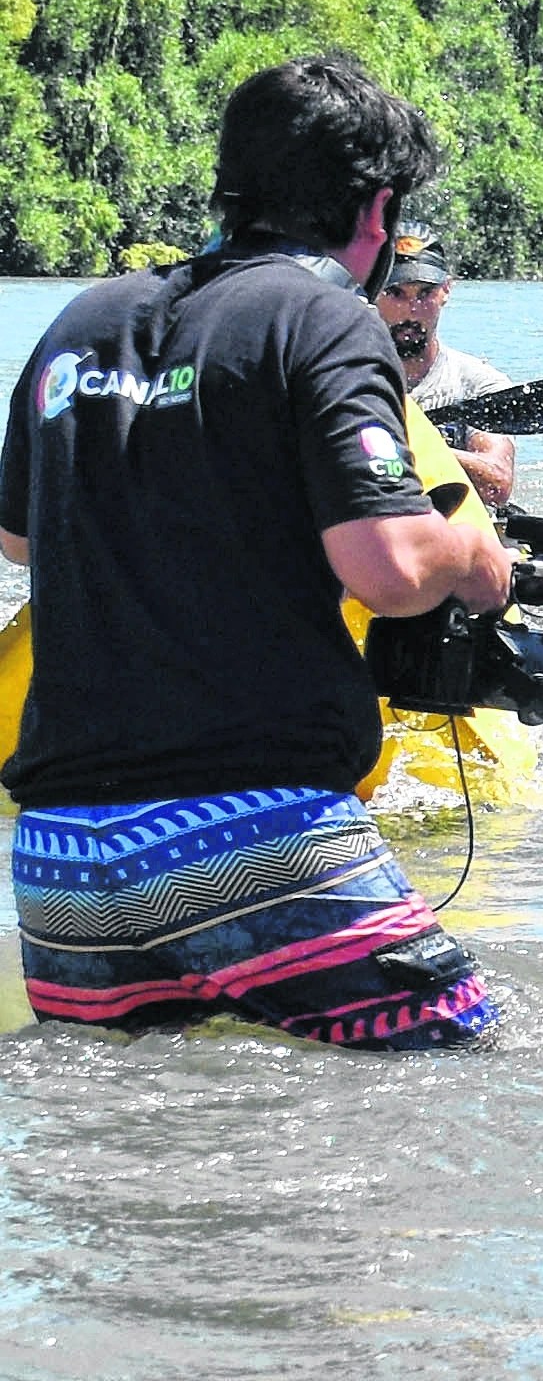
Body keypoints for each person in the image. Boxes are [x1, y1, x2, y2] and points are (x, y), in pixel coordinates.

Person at [1, 54, 512, 1048]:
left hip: (62, 855)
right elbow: (391, 568)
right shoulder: (323, 319)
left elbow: (19, 533)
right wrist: (475, 559)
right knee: (471, 1069)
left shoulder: (85, 318)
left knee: (144, 1152)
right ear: (376, 210)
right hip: (252, 832)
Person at [375, 233, 514, 509]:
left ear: (446, 291)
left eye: (425, 293)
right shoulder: (342, 379)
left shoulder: (479, 385)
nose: (411, 311)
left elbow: (496, 484)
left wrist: (414, 448)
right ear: (372, 292)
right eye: (395, 293)